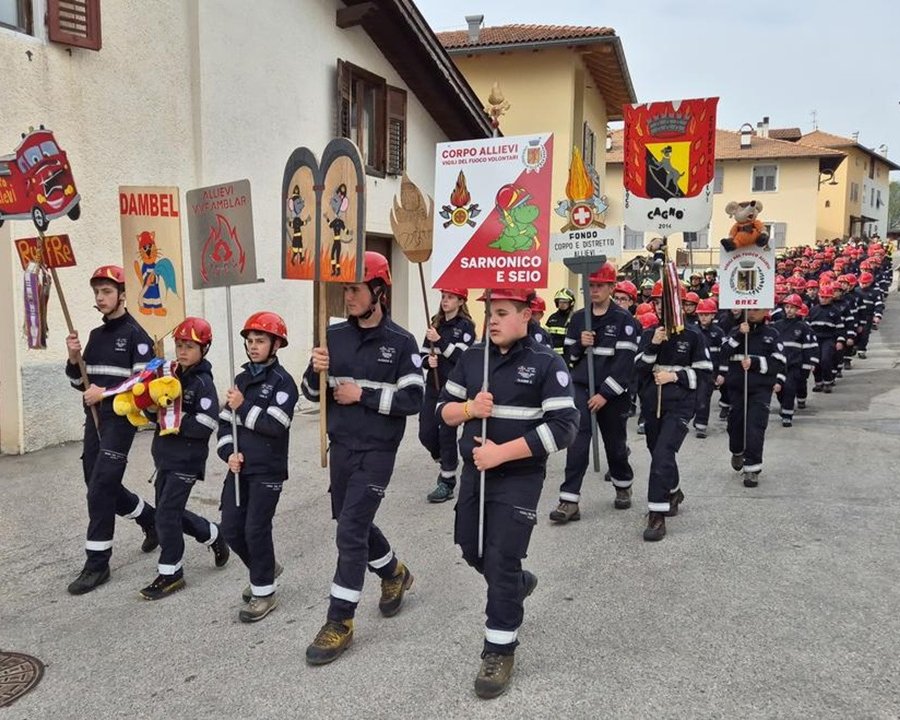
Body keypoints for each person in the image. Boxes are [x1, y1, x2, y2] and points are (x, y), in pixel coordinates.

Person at [438, 287, 578, 699]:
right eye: (489, 313)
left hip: (519, 476)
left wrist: (502, 454)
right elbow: (441, 412)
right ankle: (518, 583)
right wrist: (468, 410)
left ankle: (499, 648)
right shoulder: (471, 359)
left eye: (502, 312)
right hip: (475, 473)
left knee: (501, 558)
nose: (493, 320)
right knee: (470, 547)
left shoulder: (546, 364)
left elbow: (563, 427)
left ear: (527, 316)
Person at [302, 251, 424, 665]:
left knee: (351, 529)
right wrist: (313, 370)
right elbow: (311, 394)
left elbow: (414, 398)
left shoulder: (402, 343)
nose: (347, 296)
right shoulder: (332, 335)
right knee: (351, 521)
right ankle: (393, 572)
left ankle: (340, 620)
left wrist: (364, 396)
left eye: (354, 289)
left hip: (378, 450)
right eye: (344, 289)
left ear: (378, 291)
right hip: (341, 446)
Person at [65, 265, 158, 595]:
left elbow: (144, 385)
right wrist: (73, 357)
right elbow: (80, 383)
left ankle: (97, 563)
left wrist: (104, 393)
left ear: (121, 294)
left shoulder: (137, 336)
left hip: (122, 420)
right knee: (96, 481)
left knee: (102, 485)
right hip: (94, 417)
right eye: (96, 292)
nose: (100, 298)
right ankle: (150, 519)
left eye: (106, 291)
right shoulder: (95, 336)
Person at [139, 317, 230, 599]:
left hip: (187, 460)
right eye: (179, 345)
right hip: (164, 458)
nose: (182, 351)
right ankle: (213, 535)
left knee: (165, 515)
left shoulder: (203, 383)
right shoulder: (170, 375)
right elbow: (155, 414)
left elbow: (207, 423)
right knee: (171, 512)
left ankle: (171, 573)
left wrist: (174, 420)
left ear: (204, 349)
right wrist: (150, 408)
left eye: (189, 346)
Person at [217, 311, 298, 623]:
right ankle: (265, 568)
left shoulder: (283, 383)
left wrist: (243, 406)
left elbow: (275, 425)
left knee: (255, 529)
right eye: (250, 341)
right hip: (239, 469)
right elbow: (226, 424)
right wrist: (229, 453)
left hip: (268, 469)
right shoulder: (241, 380)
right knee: (231, 528)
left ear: (276, 344)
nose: (253, 346)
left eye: (260, 340)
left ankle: (264, 591)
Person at [551, 261, 638, 523]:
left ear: (611, 287)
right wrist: (580, 344)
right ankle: (569, 500)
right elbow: (568, 356)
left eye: (600, 285)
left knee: (615, 446)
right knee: (576, 444)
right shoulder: (578, 319)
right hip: (581, 388)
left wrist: (604, 395)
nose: (595, 290)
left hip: (611, 394)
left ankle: (623, 484)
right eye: (591, 285)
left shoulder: (624, 320)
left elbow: (624, 365)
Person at [634, 308, 711, 540]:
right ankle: (674, 491)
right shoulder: (649, 334)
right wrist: (654, 345)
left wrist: (676, 377)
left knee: (663, 453)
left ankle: (657, 514)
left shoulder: (694, 336)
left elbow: (706, 374)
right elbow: (638, 368)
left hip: (680, 404)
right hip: (652, 404)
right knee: (657, 452)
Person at [715, 308, 786, 487]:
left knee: (755, 427)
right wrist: (739, 334)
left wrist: (755, 363)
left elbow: (779, 362)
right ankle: (737, 451)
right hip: (737, 388)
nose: (753, 313)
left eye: (757, 309)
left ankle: (752, 468)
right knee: (735, 425)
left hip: (760, 389)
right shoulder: (735, 331)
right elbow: (723, 353)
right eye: (751, 309)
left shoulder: (772, 334)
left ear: (765, 311)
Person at [419, 288, 476, 503]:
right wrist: (427, 361)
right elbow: (422, 354)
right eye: (443, 297)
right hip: (433, 386)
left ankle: (447, 482)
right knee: (426, 432)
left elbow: (463, 356)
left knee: (447, 433)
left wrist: (440, 341)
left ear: (461, 301)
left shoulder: (466, 327)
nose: (445, 301)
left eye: (450, 297)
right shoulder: (435, 323)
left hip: (454, 388)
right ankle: (445, 459)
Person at [772, 295, 819, 427]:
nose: (789, 310)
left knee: (789, 389)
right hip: (778, 365)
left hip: (794, 365)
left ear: (798, 309)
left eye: (793, 308)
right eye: (787, 307)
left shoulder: (803, 327)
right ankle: (784, 406)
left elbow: (808, 347)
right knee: (779, 390)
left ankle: (787, 415)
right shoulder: (776, 326)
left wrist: (810, 364)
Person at [693, 298, 724, 438]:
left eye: (707, 314)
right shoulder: (692, 331)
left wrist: (721, 373)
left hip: (709, 373)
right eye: (701, 314)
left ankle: (701, 426)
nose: (703, 317)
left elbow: (724, 354)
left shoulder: (718, 333)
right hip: (693, 371)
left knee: (703, 398)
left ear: (713, 315)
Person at [809, 283, 845, 394]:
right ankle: (818, 382)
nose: (823, 299)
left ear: (831, 298)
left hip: (829, 339)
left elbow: (840, 328)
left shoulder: (835, 311)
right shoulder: (813, 310)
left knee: (826, 360)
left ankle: (828, 382)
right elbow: (807, 327)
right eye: (822, 297)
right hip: (815, 340)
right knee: (816, 362)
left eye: (826, 297)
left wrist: (840, 340)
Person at [546, 288, 576, 355]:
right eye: (560, 302)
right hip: (552, 355)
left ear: (571, 303)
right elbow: (546, 335)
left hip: (567, 355)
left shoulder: (575, 318)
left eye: (565, 302)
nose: (562, 304)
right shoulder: (552, 318)